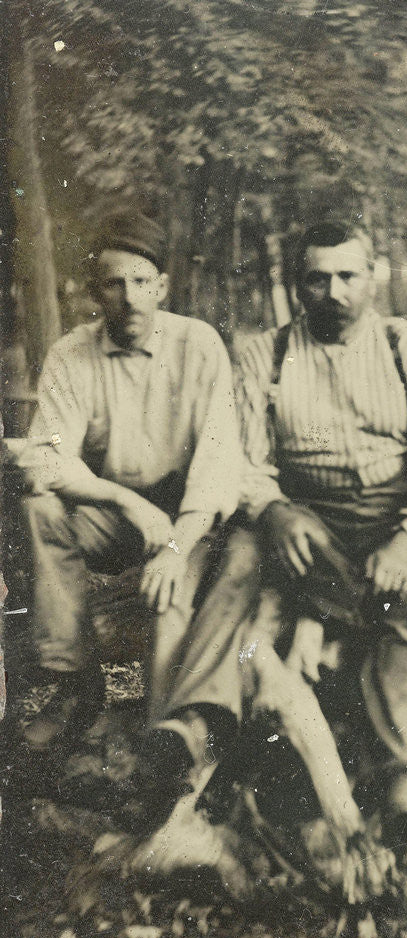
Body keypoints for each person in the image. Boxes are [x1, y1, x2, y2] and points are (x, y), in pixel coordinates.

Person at [150, 222, 407, 865]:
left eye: (348, 276)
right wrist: (271, 509)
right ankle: (197, 720)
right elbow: (241, 459)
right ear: (297, 286)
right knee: (239, 557)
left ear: (372, 277)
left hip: (394, 515)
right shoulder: (264, 355)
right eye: (317, 279)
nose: (334, 292)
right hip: (304, 518)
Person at [18, 211, 242, 752]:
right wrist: (124, 501)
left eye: (142, 282)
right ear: (96, 290)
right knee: (40, 509)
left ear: (162, 287)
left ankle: (160, 738)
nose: (131, 298)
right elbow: (46, 460)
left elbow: (218, 464)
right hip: (113, 511)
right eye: (115, 284)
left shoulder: (199, 345)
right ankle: (72, 681)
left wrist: (175, 546)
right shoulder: (72, 353)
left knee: (170, 603)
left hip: (187, 512)